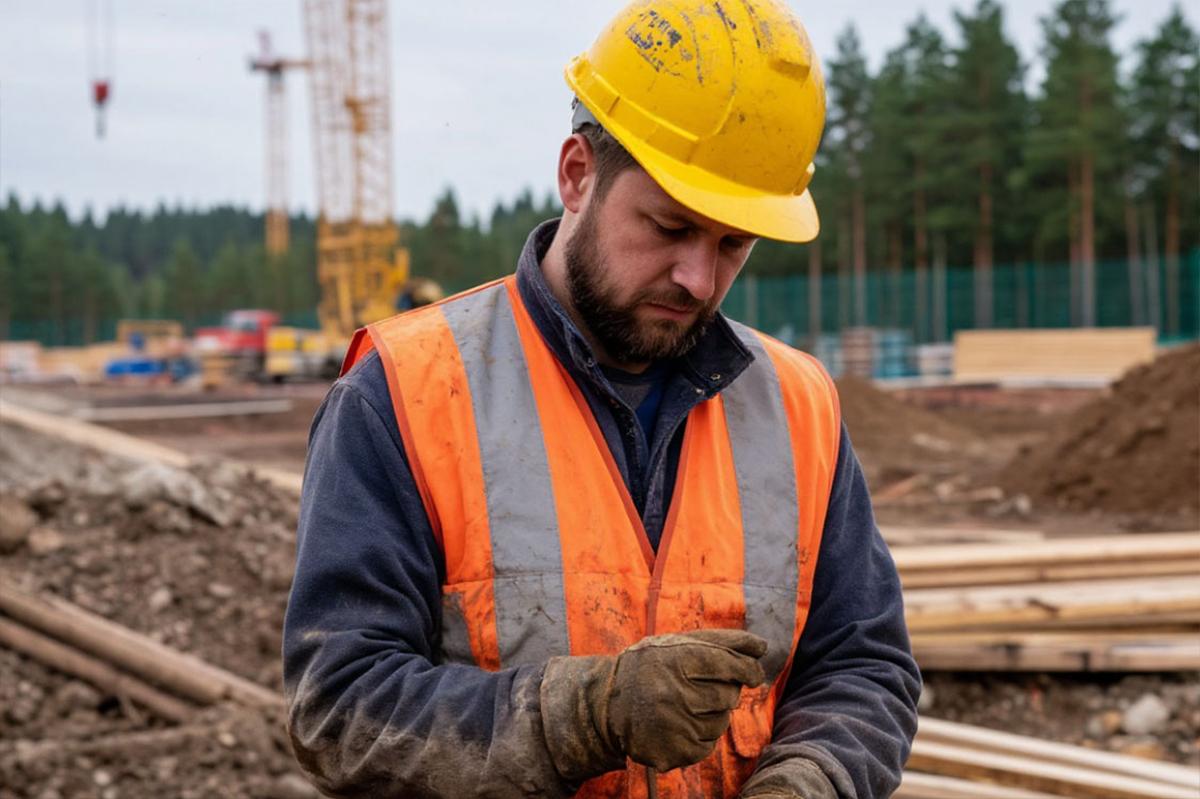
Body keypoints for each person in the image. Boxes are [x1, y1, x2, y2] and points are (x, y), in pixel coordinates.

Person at [283, 1, 920, 797]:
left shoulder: (798, 406)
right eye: (669, 227)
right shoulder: (406, 392)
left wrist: (812, 779)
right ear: (578, 173)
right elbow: (340, 707)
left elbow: (863, 662)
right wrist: (577, 716)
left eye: (732, 244)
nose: (698, 277)